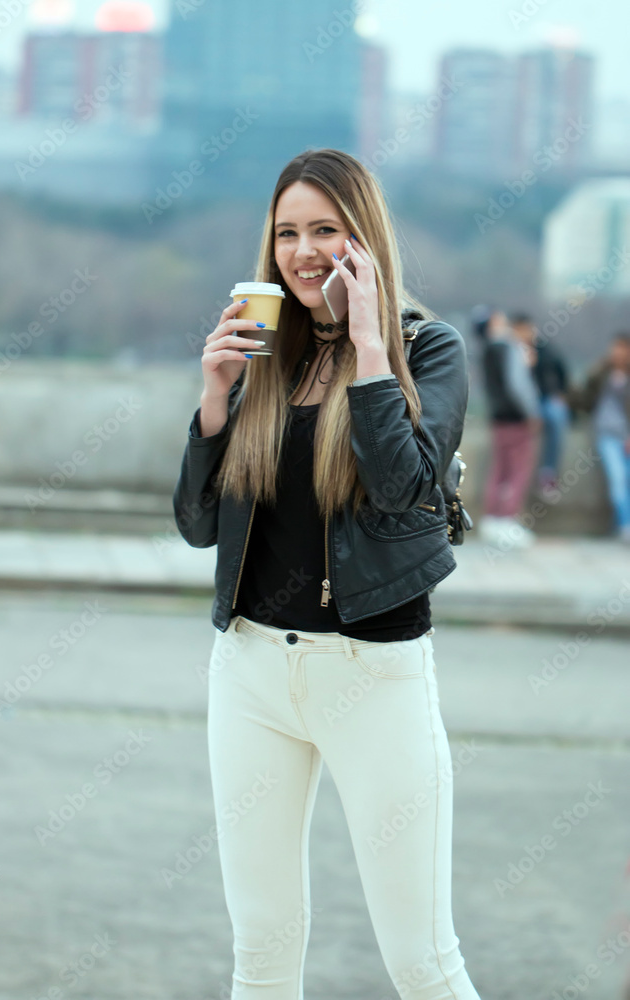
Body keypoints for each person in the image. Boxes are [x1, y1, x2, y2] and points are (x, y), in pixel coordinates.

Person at [173, 148, 483, 999]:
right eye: (286, 234)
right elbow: (199, 525)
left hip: (372, 674)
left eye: (325, 229)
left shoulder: (430, 350)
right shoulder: (264, 356)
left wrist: (371, 344)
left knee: (420, 961)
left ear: (364, 237)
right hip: (249, 674)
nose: (304, 251)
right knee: (262, 958)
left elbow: (400, 492)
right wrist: (213, 398)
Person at [477, 309, 542, 548]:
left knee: (499, 470)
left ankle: (491, 519)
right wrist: (532, 412)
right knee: (518, 471)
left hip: (498, 418)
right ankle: (508, 519)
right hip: (516, 418)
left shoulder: (486, 350)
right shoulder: (508, 347)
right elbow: (518, 385)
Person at [569, 332, 630, 543]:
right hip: (607, 433)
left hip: (626, 434)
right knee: (618, 480)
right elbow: (583, 396)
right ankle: (625, 526)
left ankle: (620, 523)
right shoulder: (601, 372)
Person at [510, 313, 570, 497]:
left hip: (546, 398)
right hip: (522, 405)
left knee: (556, 416)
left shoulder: (544, 348)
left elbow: (561, 370)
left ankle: (548, 474)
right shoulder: (510, 351)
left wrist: (560, 393)